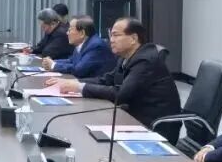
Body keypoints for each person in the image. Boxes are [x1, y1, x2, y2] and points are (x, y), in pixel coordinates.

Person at [53, 17, 181, 140]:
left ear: (133, 38)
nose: (111, 40)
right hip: (132, 117)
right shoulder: (126, 57)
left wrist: (81, 87)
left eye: (116, 35)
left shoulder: (145, 61)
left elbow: (120, 94)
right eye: (111, 35)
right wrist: (75, 82)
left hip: (154, 126)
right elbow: (106, 80)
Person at [40, 15, 116, 78]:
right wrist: (52, 62)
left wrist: (54, 65)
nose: (67, 33)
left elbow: (79, 70)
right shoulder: (82, 43)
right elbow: (71, 60)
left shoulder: (95, 46)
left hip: (96, 88)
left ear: (82, 33)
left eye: (70, 30)